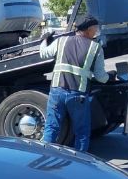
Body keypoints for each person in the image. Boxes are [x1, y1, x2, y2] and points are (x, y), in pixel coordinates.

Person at [39, 15, 110, 151]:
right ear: (88, 29)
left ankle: (45, 155)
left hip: (57, 92)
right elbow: (101, 77)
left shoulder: (61, 41)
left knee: (52, 127)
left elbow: (43, 54)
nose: (96, 31)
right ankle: (80, 164)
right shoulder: (95, 48)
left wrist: (44, 40)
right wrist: (111, 77)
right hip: (78, 96)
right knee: (82, 132)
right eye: (95, 29)